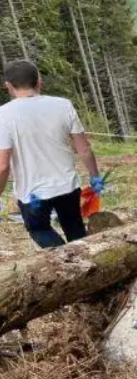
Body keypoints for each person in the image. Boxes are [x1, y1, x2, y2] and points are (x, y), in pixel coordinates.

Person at [0, 60, 103, 248]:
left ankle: (67, 259)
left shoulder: (3, 115)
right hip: (67, 186)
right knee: (75, 228)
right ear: (39, 81)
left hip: (32, 194)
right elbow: (84, 149)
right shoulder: (63, 105)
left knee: (39, 230)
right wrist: (95, 177)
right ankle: (83, 258)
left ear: (8, 86)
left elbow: (3, 166)